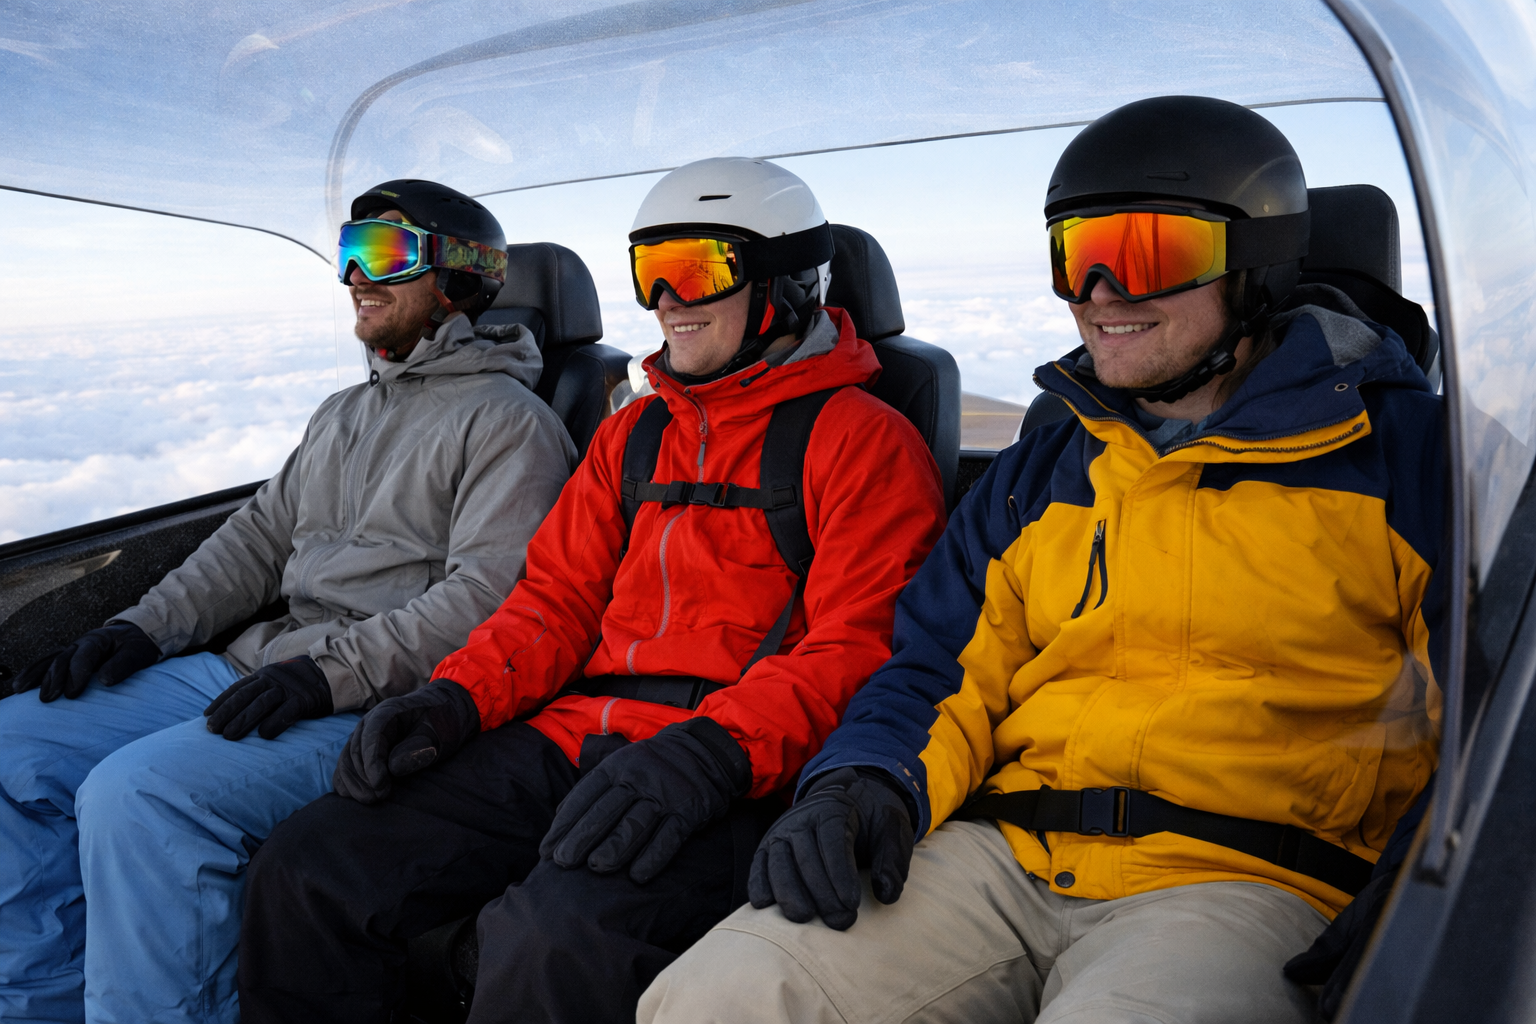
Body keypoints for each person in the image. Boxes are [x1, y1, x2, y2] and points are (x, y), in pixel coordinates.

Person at [638, 96, 1444, 1024]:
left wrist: (1427, 882)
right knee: (720, 996)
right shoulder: (1044, 468)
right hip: (999, 854)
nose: (1100, 292)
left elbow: (1493, 708)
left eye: (1150, 256)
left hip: (1245, 876)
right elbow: (938, 666)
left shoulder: (1403, 457)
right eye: (1077, 253)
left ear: (1257, 264)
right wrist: (863, 779)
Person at [235, 157, 947, 1024]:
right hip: (571, 734)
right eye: (650, 272)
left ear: (785, 283)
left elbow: (860, 647)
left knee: (556, 942)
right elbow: (554, 601)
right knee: (312, 866)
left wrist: (713, 753)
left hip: (726, 768)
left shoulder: (863, 442)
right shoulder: (634, 434)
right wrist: (456, 698)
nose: (666, 302)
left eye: (696, 271)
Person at [0, 179, 576, 1024]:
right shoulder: (343, 411)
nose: (356, 278)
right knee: (14, 748)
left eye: (384, 255)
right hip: (259, 667)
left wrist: (326, 676)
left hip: (370, 701)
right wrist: (140, 626)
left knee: (141, 796)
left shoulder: (508, 423)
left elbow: (489, 600)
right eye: (350, 254)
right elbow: (257, 541)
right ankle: (44, 1001)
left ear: (458, 279)